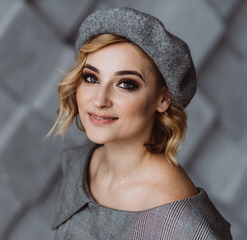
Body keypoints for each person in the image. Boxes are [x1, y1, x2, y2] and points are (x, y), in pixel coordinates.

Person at [47, 7, 232, 240]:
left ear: (163, 99)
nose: (99, 100)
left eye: (126, 84)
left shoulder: (183, 225)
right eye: (91, 78)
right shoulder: (77, 164)